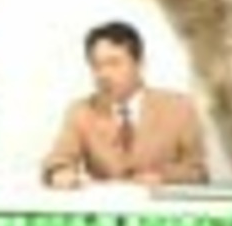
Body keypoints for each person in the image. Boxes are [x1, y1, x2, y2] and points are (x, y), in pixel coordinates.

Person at [43, 21, 208, 189]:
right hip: (108, 204)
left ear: (140, 64)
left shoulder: (179, 108)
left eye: (114, 63)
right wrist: (59, 172)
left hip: (160, 203)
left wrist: (164, 177)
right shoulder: (81, 111)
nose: (104, 75)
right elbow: (58, 159)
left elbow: (198, 171)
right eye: (96, 66)